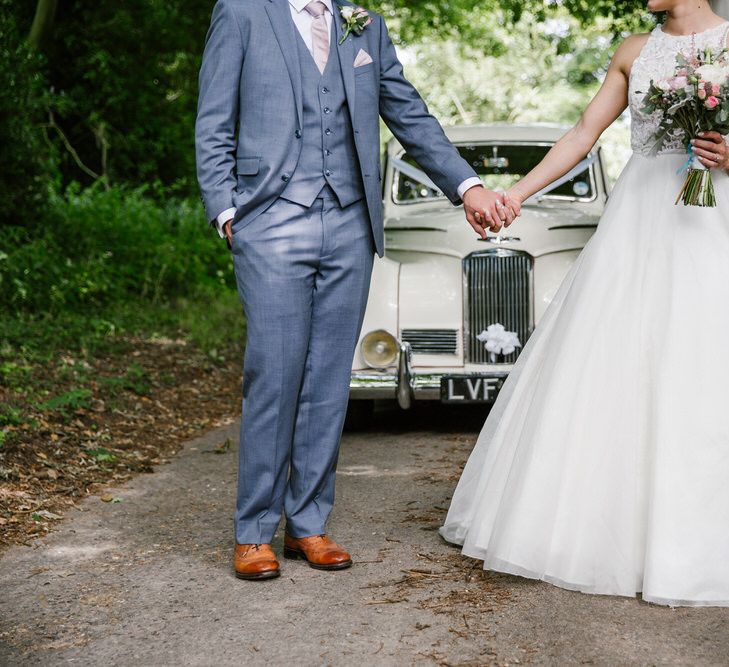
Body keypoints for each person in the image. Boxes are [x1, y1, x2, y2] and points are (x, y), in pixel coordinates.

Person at [195, 0, 517, 580]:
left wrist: (466, 185)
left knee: (327, 380)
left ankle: (308, 525)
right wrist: (226, 211)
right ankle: (253, 532)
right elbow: (213, 117)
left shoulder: (364, 22)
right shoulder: (242, 12)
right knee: (274, 371)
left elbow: (408, 113)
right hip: (269, 221)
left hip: (350, 223)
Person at [441, 0, 729, 607]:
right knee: (618, 361)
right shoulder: (632, 50)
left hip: (713, 219)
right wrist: (512, 196)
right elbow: (582, 134)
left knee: (706, 360)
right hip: (642, 219)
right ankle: (604, 532)